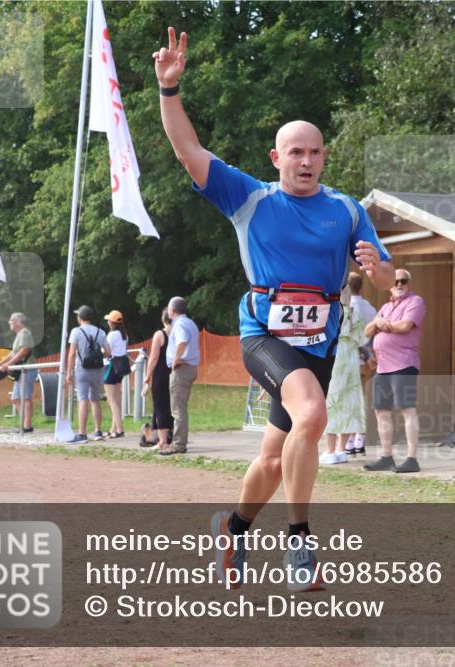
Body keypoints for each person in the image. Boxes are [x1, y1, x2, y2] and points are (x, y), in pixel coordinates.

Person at [153, 25, 394, 591]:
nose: (306, 161)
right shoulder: (249, 197)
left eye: (314, 152)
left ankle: (232, 530)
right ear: (277, 157)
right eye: (295, 152)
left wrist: (376, 269)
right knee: (312, 416)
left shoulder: (348, 209)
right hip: (263, 332)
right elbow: (189, 150)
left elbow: (385, 277)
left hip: (322, 342)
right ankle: (300, 543)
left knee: (272, 457)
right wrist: (169, 91)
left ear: (324, 156)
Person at [363, 268, 426, 474]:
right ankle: (386, 456)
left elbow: (405, 326)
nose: (399, 284)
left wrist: (383, 324)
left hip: (403, 364)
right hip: (382, 367)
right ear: (390, 284)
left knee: (407, 410)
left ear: (410, 283)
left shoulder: (415, 302)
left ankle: (412, 458)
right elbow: (367, 331)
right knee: (381, 412)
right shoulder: (385, 306)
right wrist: (377, 324)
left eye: (403, 281)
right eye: (396, 281)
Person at [320, 286, 368, 465]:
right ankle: (341, 449)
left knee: (332, 400)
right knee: (350, 400)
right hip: (352, 356)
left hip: (336, 354)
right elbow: (362, 338)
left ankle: (330, 450)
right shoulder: (354, 312)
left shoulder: (332, 311)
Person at [65, 305, 110, 444]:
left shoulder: (76, 331)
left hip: (82, 370)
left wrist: (69, 372)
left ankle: (82, 433)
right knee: (95, 400)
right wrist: (97, 355)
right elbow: (108, 351)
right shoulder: (101, 332)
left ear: (80, 317)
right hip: (98, 370)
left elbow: (72, 353)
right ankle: (97, 431)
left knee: (83, 400)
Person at [163, 296, 200, 456]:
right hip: (190, 367)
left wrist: (176, 360)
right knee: (181, 407)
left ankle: (178, 444)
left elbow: (182, 342)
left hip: (182, 367)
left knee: (177, 408)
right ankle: (179, 441)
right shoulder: (190, 322)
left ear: (172, 311)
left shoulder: (179, 324)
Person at [346, 271, 376, 456]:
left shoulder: (348, 307)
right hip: (367, 358)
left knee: (349, 399)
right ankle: (360, 437)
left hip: (351, 357)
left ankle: (349, 437)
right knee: (363, 398)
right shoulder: (370, 308)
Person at [0, 312, 37, 433]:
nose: (9, 323)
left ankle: (27, 426)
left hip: (27, 370)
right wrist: (0, 363)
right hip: (21, 371)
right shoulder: (20, 334)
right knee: (16, 398)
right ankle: (24, 423)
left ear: (18, 321)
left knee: (25, 398)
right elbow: (13, 353)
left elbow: (24, 351)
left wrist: (8, 364)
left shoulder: (25, 333)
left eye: (11, 320)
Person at [143, 309, 174, 449]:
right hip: (174, 373)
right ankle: (172, 436)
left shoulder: (160, 334)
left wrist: (148, 375)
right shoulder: (178, 333)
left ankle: (162, 441)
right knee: (172, 407)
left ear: (163, 319)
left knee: (160, 407)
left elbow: (154, 358)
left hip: (160, 374)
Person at [103, 310, 131, 439]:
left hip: (110, 366)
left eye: (109, 320)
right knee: (116, 400)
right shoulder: (125, 335)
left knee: (111, 400)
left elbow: (106, 350)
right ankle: (113, 428)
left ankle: (119, 429)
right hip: (120, 367)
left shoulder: (112, 335)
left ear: (112, 323)